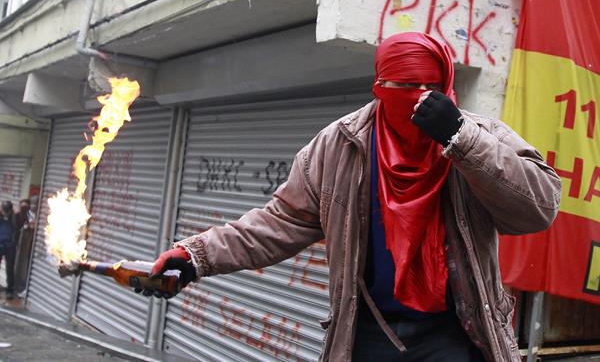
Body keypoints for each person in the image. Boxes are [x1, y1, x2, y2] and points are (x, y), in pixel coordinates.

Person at [145, 32, 561, 361]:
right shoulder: (338, 146)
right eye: (405, 87)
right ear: (379, 87)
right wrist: (196, 255)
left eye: (431, 88)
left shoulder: (479, 136)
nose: (419, 98)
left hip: (456, 333)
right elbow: (278, 223)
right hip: (368, 331)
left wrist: (460, 138)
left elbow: (539, 208)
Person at [14, 197, 36, 295]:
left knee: (26, 266)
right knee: (17, 264)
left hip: (30, 246)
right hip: (18, 244)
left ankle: (22, 285)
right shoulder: (19, 215)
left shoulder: (37, 216)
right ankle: (16, 284)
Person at [0, 201, 17, 300]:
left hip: (10, 246)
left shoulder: (15, 218)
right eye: (4, 209)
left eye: (7, 210)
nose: (5, 212)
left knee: (10, 269)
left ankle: (9, 290)